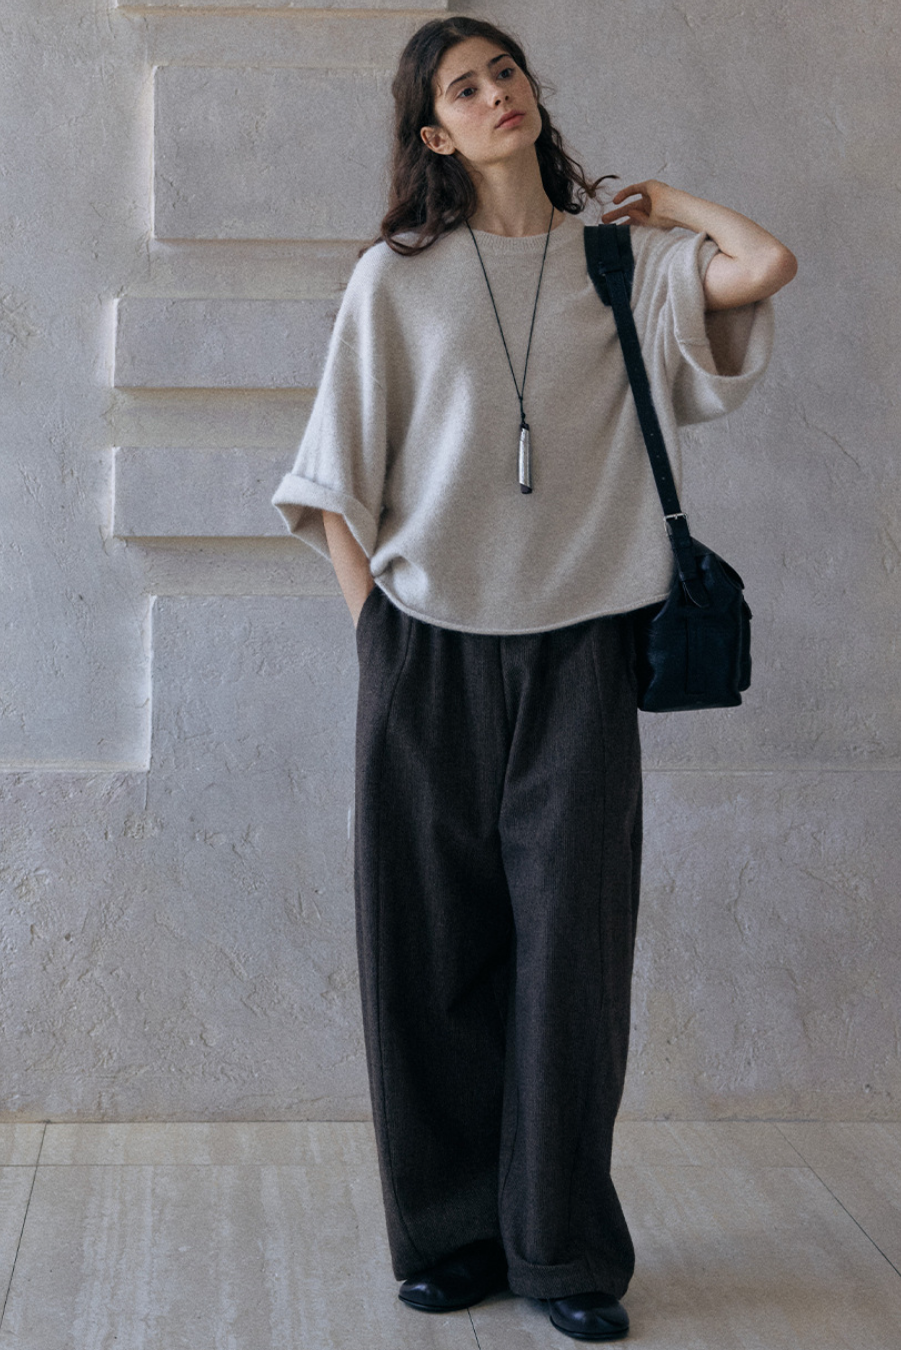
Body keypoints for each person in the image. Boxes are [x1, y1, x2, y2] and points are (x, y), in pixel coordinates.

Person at [273, 14, 796, 1343]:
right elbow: (331, 478)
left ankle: (563, 1253)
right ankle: (450, 1238)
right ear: (434, 134)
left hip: (583, 652)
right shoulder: (396, 280)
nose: (496, 93)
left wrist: (666, 202)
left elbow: (764, 264)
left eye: (505, 71)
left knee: (572, 962)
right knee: (428, 952)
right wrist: (377, 636)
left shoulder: (621, 263)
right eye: (464, 87)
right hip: (426, 651)